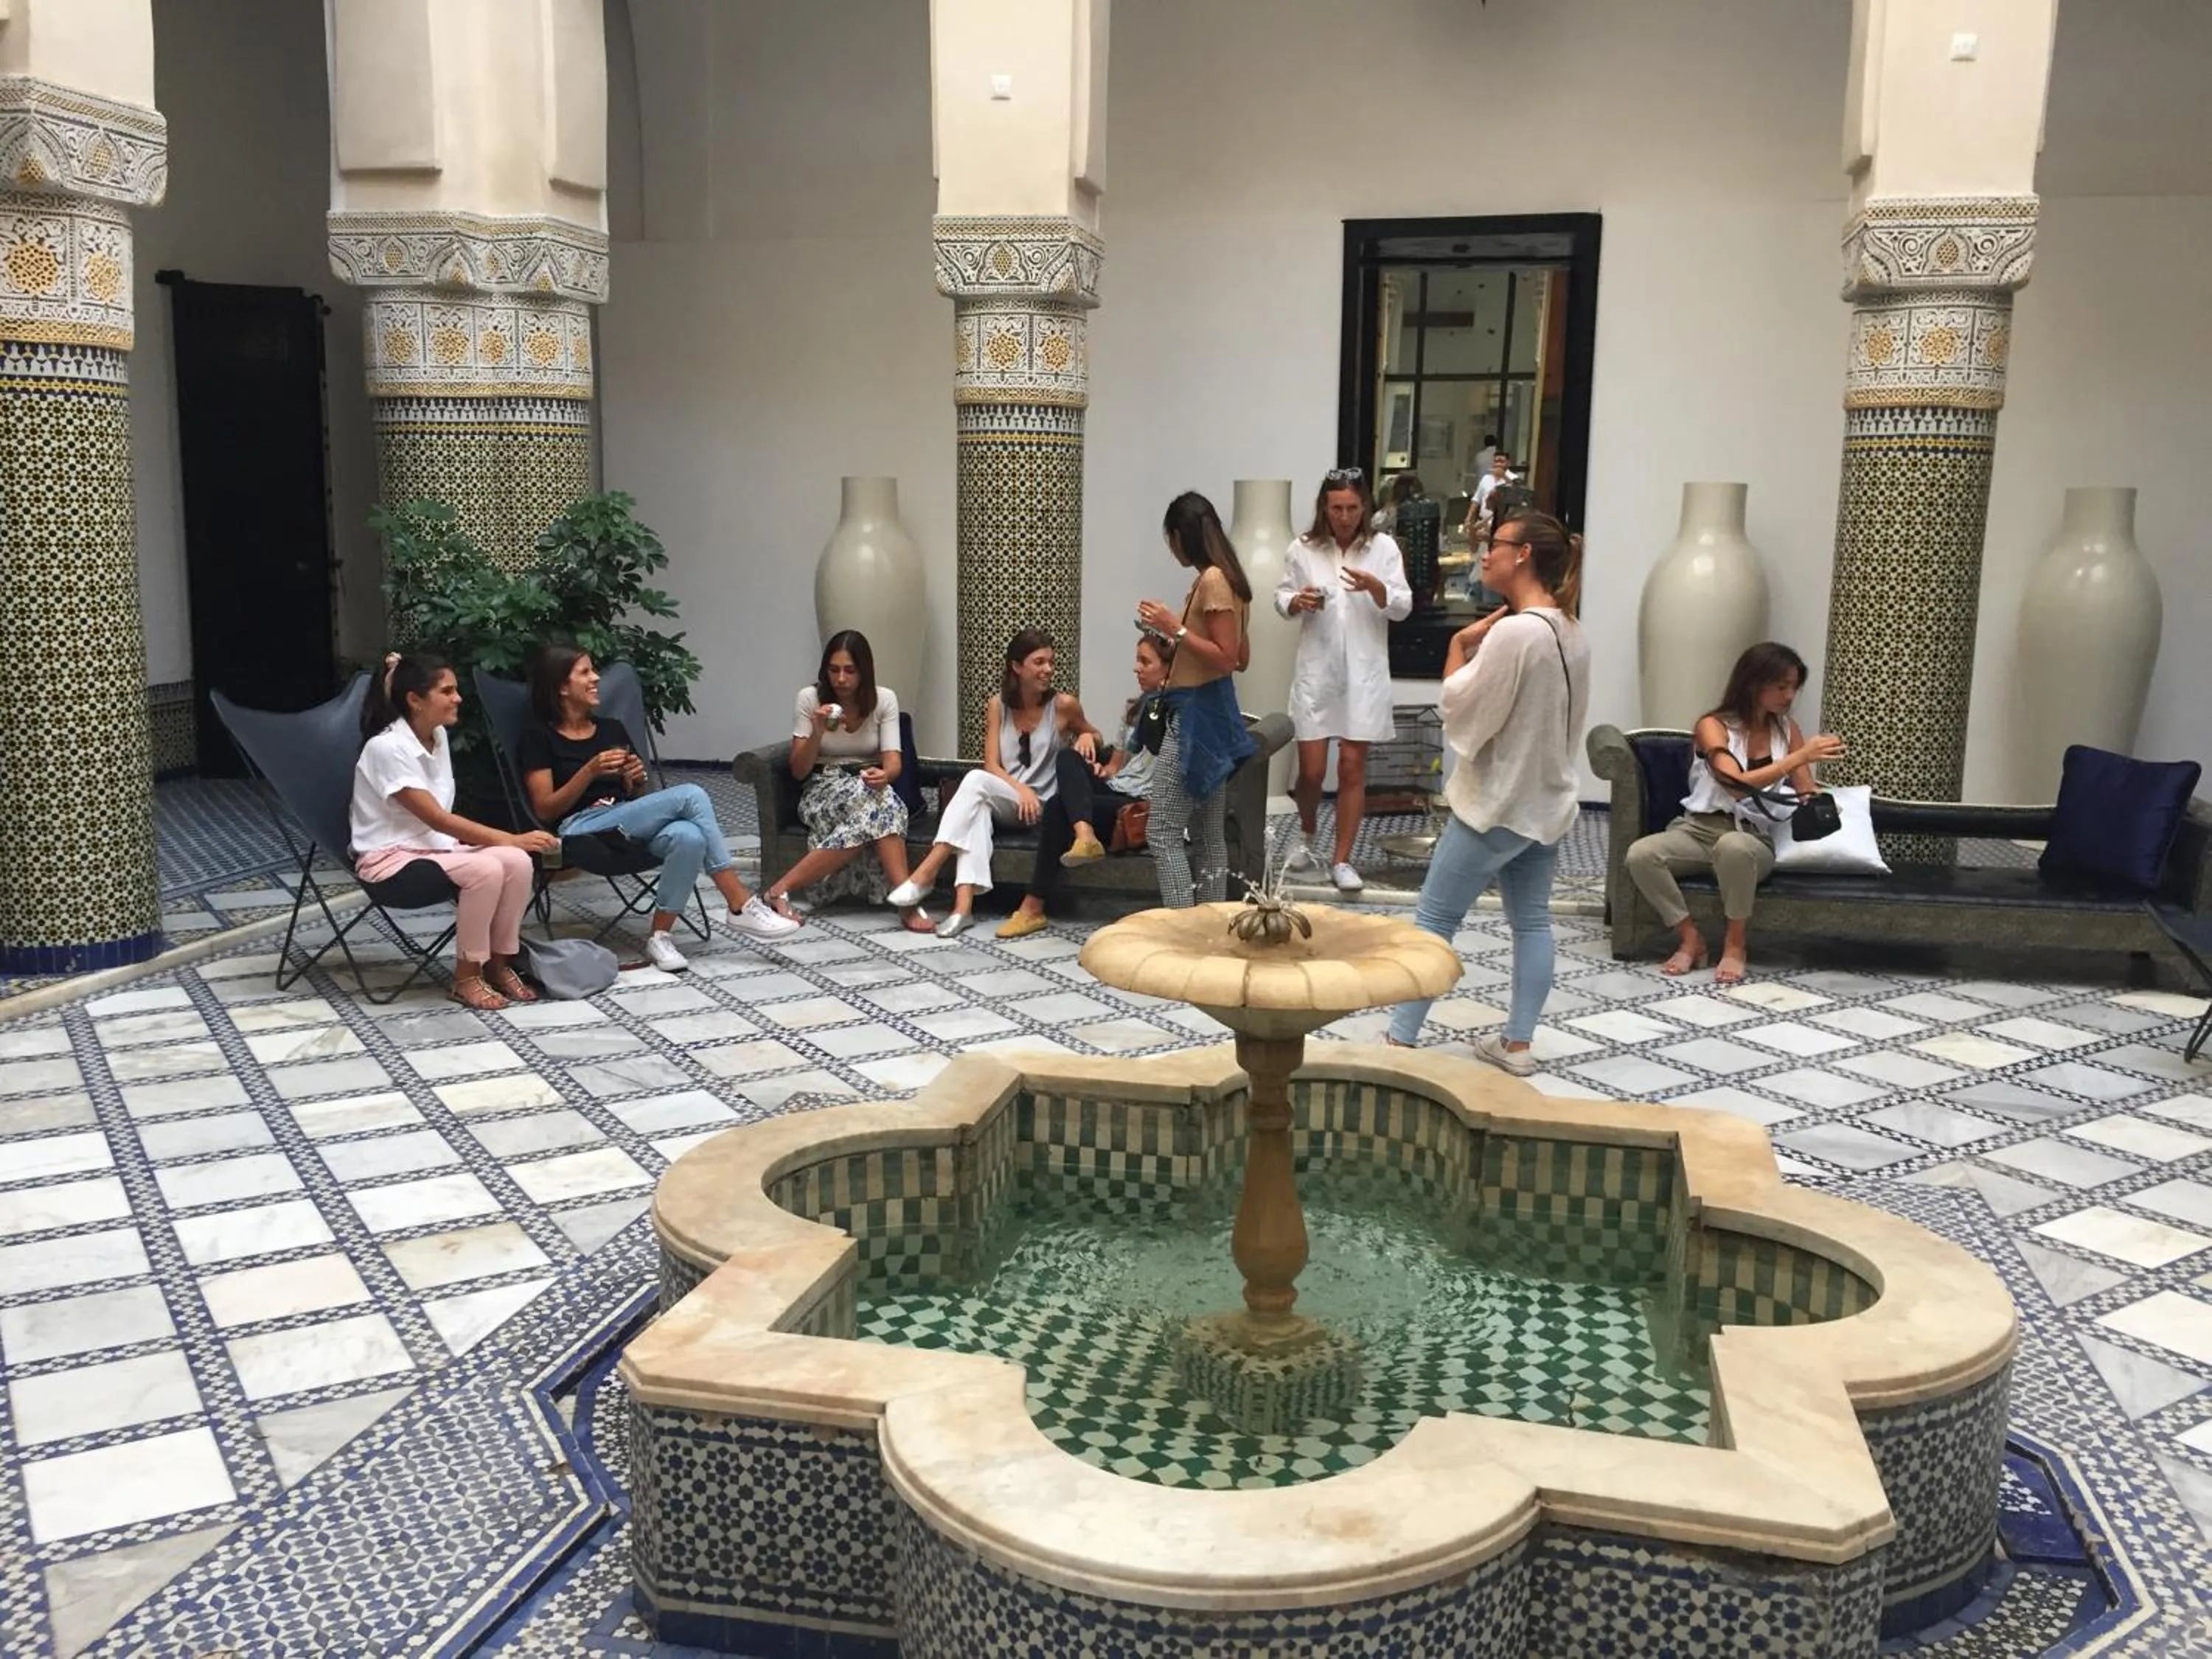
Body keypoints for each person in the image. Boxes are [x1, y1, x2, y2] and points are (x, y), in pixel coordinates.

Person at [1385, 507, 1589, 1076]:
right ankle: (1518, 1046)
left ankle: (1400, 1039)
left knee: (1433, 920)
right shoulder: (1572, 630)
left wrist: (1459, 644)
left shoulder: (1518, 632)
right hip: (1546, 801)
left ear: (1523, 555)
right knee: (1532, 922)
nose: (1484, 551)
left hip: (1496, 803)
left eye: (1495, 543)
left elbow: (1461, 703)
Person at [521, 644, 797, 973]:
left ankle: (660, 937)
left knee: (689, 836)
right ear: (562, 687)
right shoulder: (539, 737)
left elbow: (637, 797)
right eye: (585, 672)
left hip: (622, 823)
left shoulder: (611, 729)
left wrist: (635, 780)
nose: (596, 678)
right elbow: (546, 810)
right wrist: (589, 771)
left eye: (594, 670)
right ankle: (739, 902)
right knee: (691, 795)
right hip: (580, 830)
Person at [1624, 642, 1844, 986]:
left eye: (1794, 687)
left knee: (1734, 847)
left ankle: (1735, 944)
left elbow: (1804, 788)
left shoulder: (1788, 731)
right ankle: (1689, 937)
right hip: (1696, 830)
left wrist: (1818, 800)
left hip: (1751, 838)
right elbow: (1735, 784)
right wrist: (1798, 758)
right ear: (1755, 683)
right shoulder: (1712, 725)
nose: (1790, 696)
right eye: (1782, 686)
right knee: (1641, 855)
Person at [350, 653, 556, 1012]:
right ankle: (465, 976)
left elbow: (441, 827)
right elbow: (437, 818)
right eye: (447, 691)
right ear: (415, 700)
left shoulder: (438, 736)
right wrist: (509, 836)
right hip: (389, 861)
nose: (458, 698)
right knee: (488, 868)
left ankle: (498, 962)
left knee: (518, 862)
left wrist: (512, 846)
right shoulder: (385, 748)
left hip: (437, 851)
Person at [888, 630, 1101, 938]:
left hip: (1041, 806)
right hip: (1010, 800)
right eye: (1039, 662)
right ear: (1017, 667)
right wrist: (1020, 789)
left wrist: (1085, 735)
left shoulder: (1064, 705)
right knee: (978, 805)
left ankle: (926, 873)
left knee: (975, 783)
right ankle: (963, 910)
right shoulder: (998, 706)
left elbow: (1097, 737)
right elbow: (991, 764)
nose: (1048, 670)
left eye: (1050, 662)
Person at [1277, 466, 1413, 891]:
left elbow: (1404, 605)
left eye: (1353, 507)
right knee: (1313, 771)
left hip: (1364, 671)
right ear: (1324, 507)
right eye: (1337, 508)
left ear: (1365, 507)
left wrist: (1378, 590)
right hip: (1318, 671)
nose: (1345, 516)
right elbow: (1281, 596)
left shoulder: (1384, 548)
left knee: (1353, 767)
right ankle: (1307, 834)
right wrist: (1295, 602)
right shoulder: (1302, 549)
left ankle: (1342, 859)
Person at [998, 630, 1172, 939]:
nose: (1136, 668)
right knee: (1068, 758)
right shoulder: (1134, 708)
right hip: (1118, 790)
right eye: (1138, 660)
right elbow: (1115, 768)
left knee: (1056, 807)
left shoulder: (1182, 713)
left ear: (1168, 669)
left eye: (1145, 662)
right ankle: (1084, 833)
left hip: (1142, 805)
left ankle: (1032, 906)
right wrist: (1091, 751)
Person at [758, 630, 933, 933]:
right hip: (822, 787)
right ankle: (906, 902)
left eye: (850, 671)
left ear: (864, 671)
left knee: (881, 801)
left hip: (867, 783)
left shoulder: (884, 700)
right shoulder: (809, 698)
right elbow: (799, 770)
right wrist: (817, 731)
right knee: (886, 806)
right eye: (834, 670)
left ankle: (778, 890)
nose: (841, 679)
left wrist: (884, 775)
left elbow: (893, 764)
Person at [1136, 492, 1257, 908]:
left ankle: (1183, 927)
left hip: (1196, 715)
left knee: (1163, 830)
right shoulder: (1232, 577)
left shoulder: (1212, 580)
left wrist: (1175, 627)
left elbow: (1225, 660)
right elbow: (1241, 655)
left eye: (1171, 538)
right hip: (1214, 711)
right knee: (1208, 834)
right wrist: (1179, 637)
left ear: (1179, 535)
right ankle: (1211, 923)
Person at [1470, 450, 1516, 521]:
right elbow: (1476, 500)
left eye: (1501, 462)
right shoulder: (1486, 478)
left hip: (1502, 523)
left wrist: (1504, 477)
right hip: (1483, 521)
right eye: (1496, 461)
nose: (1498, 464)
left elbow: (1515, 493)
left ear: (1508, 463)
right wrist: (1468, 518)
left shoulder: (1513, 478)